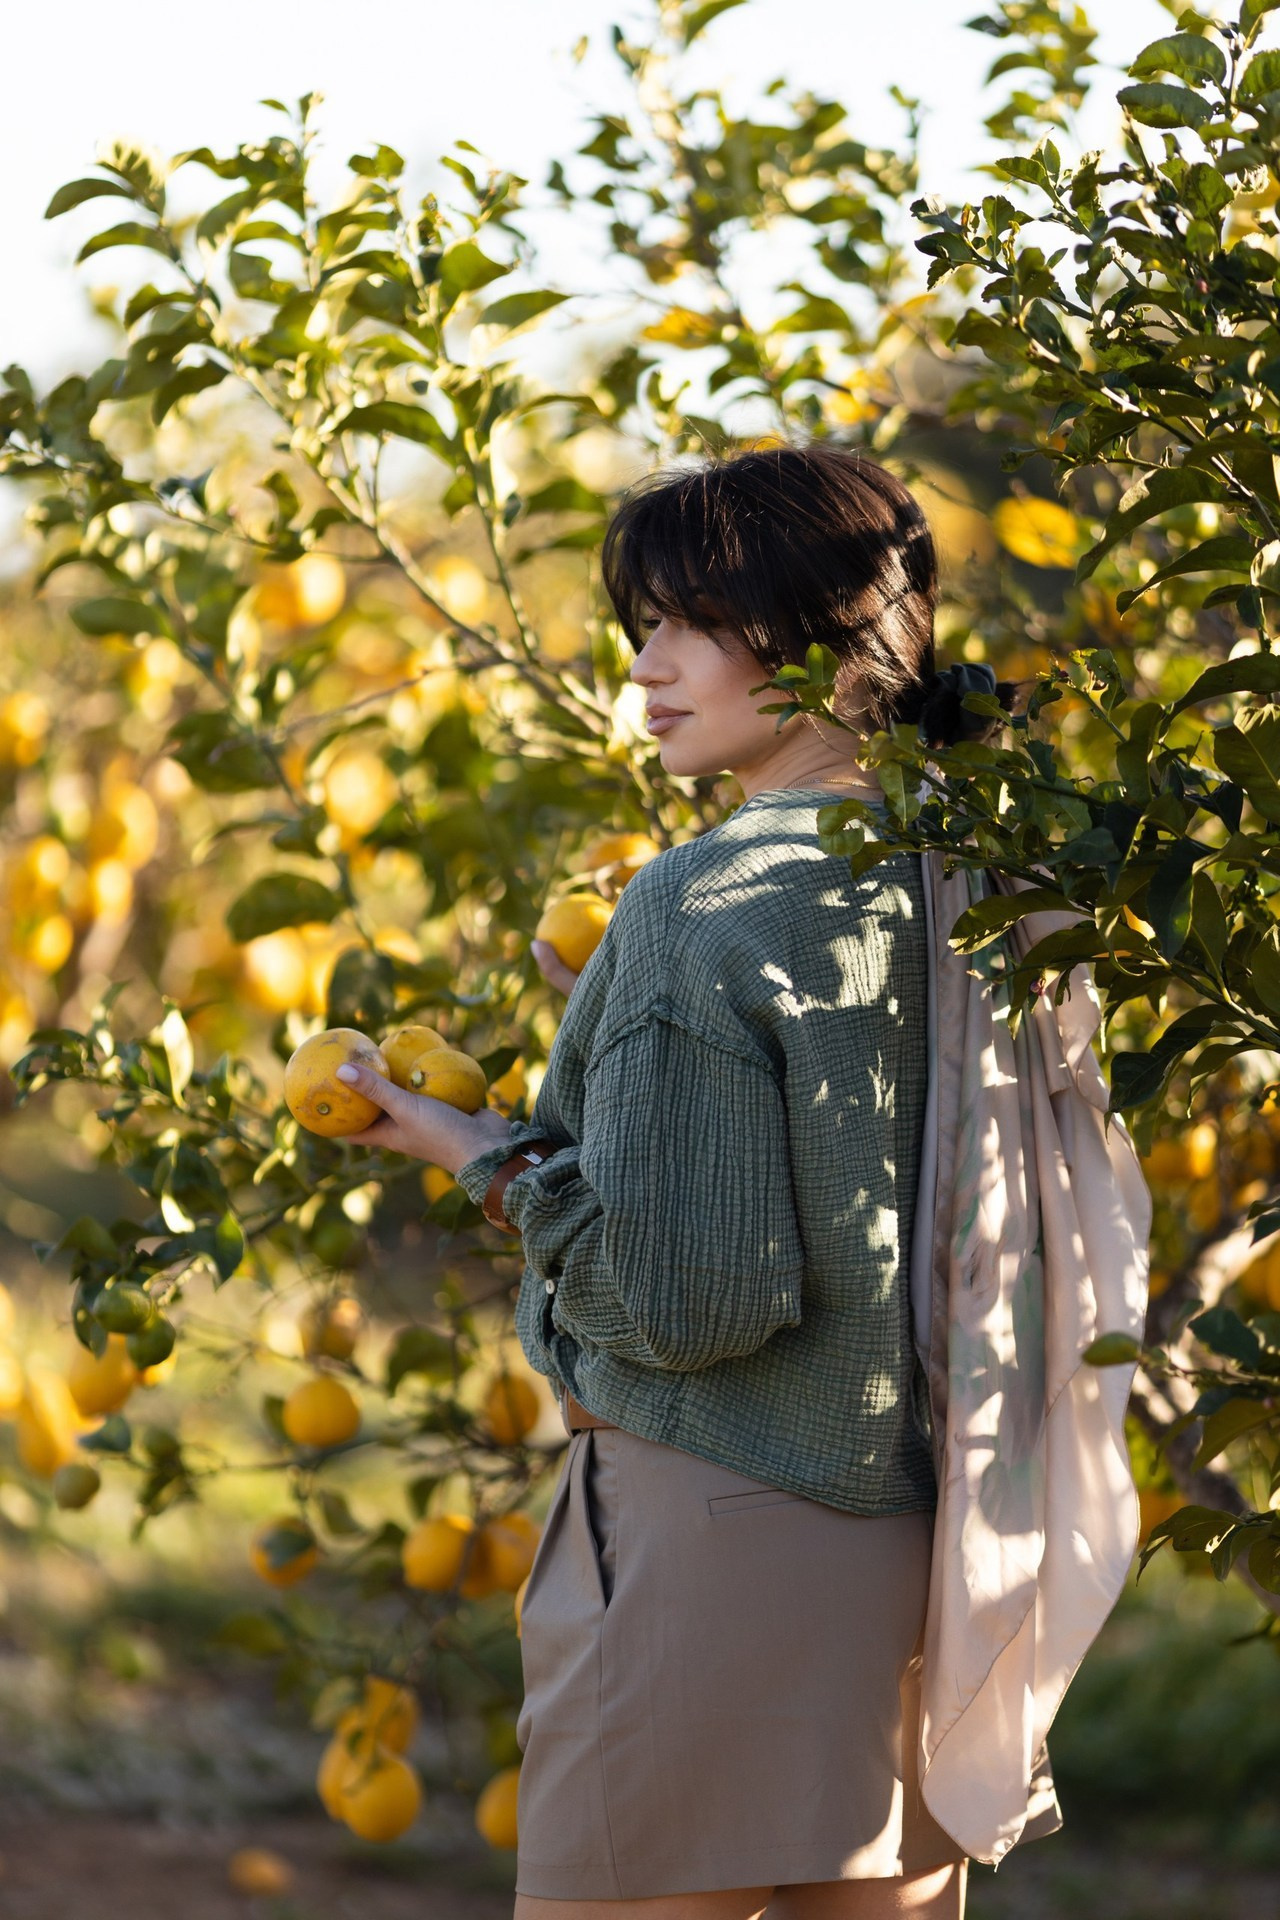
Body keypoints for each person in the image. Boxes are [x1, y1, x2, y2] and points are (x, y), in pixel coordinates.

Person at [334, 443, 1021, 1920]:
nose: (644, 666)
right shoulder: (965, 870)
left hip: (706, 1537)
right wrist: (630, 1034)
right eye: (642, 625)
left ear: (829, 644)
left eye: (686, 622)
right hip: (911, 1549)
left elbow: (692, 1300)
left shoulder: (698, 899)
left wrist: (488, 1153)